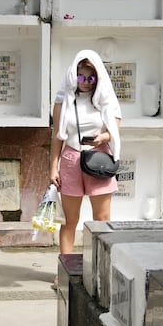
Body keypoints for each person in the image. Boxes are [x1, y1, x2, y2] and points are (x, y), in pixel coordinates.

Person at [49, 48, 121, 256]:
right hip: (71, 158)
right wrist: (53, 167)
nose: (86, 81)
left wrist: (102, 138)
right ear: (74, 74)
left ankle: (102, 267)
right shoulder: (64, 100)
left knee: (102, 218)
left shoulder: (105, 99)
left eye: (91, 77)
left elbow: (115, 128)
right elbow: (57, 135)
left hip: (98, 158)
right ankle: (64, 270)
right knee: (70, 221)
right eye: (81, 76)